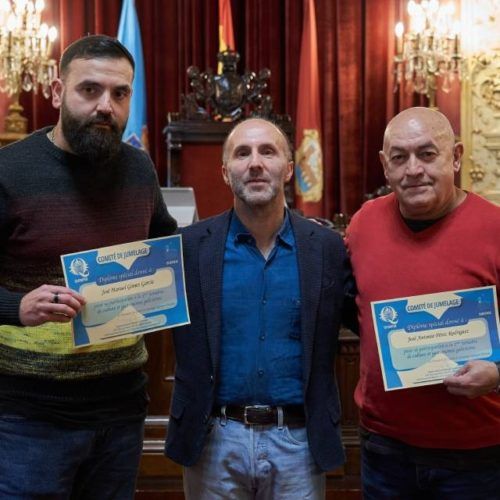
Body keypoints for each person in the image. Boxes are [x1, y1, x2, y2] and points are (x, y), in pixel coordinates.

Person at [0, 35, 177, 499]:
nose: (106, 106)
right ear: (58, 93)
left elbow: (167, 243)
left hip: (121, 412)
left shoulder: (140, 169)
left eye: (120, 94)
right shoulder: (9, 171)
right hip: (29, 421)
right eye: (90, 90)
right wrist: (16, 306)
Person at [165, 117, 355, 499]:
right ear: (224, 172)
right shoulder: (187, 248)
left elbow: (365, 316)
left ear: (288, 169)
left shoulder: (327, 248)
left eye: (268, 151)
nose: (255, 162)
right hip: (213, 441)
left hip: (298, 443)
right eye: (242, 153)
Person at [345, 106, 500, 499]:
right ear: (385, 165)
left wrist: (498, 374)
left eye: (427, 154)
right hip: (385, 453)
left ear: (457, 157)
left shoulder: (495, 229)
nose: (413, 169)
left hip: (477, 460)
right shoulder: (363, 225)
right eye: (399, 157)